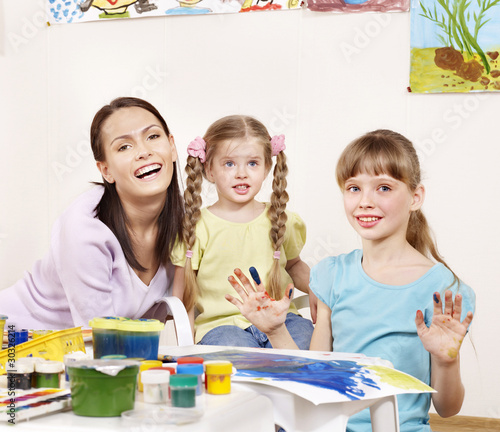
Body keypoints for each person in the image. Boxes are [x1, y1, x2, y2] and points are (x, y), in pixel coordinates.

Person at [226, 129, 475, 432]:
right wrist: (276, 331)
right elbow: (315, 377)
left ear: (415, 197)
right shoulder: (332, 275)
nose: (365, 202)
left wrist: (446, 361)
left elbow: (448, 410)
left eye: (383, 188)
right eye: (353, 188)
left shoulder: (443, 291)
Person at [0, 97, 184, 330]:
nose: (143, 152)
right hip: (16, 344)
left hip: (86, 357)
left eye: (153, 136)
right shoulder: (85, 228)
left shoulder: (186, 225)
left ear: (172, 147)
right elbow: (99, 341)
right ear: (106, 170)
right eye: (124, 146)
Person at [171, 115, 316, 348]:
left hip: (283, 320)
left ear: (267, 167)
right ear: (209, 170)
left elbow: (294, 265)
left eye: (252, 163)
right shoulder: (196, 226)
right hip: (223, 325)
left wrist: (315, 288)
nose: (241, 173)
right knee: (237, 370)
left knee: (308, 355)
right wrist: (186, 348)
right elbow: (183, 297)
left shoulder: (281, 220)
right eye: (229, 163)